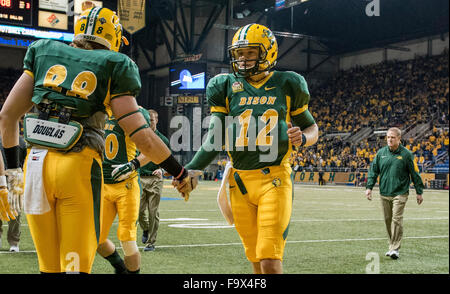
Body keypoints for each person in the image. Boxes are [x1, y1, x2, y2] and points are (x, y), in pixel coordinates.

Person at [0, 7, 195, 274]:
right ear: (114, 39)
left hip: (35, 167)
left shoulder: (43, 50)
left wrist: (11, 170)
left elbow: (8, 115)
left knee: (49, 268)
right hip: (77, 168)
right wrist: (180, 172)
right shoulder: (115, 64)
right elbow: (144, 139)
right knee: (75, 267)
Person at [178, 23, 318, 274]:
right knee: (254, 258)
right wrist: (190, 170)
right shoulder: (225, 85)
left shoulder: (288, 83)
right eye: (239, 54)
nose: (242, 60)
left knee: (269, 259)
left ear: (268, 52)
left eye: (250, 53)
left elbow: (312, 128)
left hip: (273, 179)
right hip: (239, 182)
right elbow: (215, 137)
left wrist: (304, 138)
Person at [96, 106, 153, 274]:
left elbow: (150, 150)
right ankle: (120, 268)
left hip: (126, 185)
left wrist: (132, 165)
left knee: (127, 238)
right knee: (96, 239)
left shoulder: (135, 111)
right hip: (103, 185)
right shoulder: (98, 109)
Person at [365, 127, 424, 260]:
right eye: (388, 137)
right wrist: (369, 187)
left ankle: (395, 249)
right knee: (387, 220)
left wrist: (419, 192)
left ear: (399, 139)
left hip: (400, 193)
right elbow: (373, 171)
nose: (390, 140)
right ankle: (391, 245)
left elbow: (415, 173)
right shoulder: (381, 153)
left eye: (392, 137)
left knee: (396, 219)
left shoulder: (407, 154)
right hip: (384, 192)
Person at [138, 109, 170, 252]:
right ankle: (145, 229)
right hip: (140, 178)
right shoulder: (138, 138)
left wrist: (162, 170)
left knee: (153, 212)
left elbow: (169, 161)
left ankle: (151, 242)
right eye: (147, 119)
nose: (149, 122)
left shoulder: (163, 140)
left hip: (155, 179)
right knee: (138, 211)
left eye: (151, 120)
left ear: (156, 120)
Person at [0, 136, 26, 252]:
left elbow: (25, 162)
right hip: (10, 177)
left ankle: (14, 242)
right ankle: (12, 242)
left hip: (15, 177)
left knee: (15, 212)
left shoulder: (21, 142)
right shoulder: (21, 141)